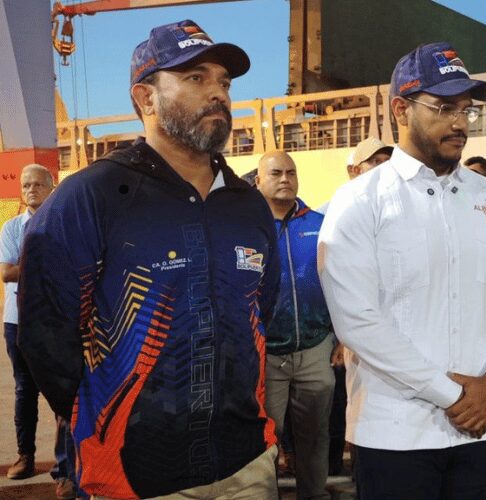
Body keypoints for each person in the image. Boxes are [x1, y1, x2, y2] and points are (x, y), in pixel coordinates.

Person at [17, 20, 281, 499]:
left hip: (247, 464)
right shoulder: (91, 197)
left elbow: (262, 307)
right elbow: (47, 336)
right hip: (134, 474)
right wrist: (104, 416)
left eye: (223, 81)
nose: (218, 93)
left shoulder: (248, 204)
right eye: (196, 78)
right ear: (145, 98)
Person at [318, 41, 486, 499]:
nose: (460, 122)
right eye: (444, 108)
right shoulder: (360, 203)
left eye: (467, 110)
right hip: (396, 434)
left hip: (484, 431)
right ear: (401, 109)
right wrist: (453, 395)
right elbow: (358, 321)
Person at [257, 151, 335, 500]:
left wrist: (341, 337)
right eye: (275, 173)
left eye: (291, 172)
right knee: (265, 439)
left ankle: (314, 495)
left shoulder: (319, 225)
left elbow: (340, 283)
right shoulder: (246, 227)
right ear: (258, 180)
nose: (285, 178)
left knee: (315, 435)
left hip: (316, 349)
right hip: (265, 356)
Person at [1, 164, 76, 499]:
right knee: (23, 391)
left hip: (57, 321)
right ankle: (25, 456)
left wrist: (28, 268)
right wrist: (47, 266)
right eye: (26, 184)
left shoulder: (67, 227)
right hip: (18, 322)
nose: (31, 189)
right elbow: (6, 273)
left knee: (62, 394)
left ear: (52, 186)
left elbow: (73, 269)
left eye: (38, 184)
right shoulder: (11, 228)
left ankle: (65, 470)